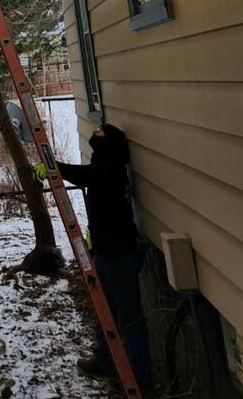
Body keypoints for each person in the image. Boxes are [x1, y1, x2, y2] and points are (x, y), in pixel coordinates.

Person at [37, 123, 151, 387]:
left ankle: (137, 374)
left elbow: (87, 175)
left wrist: (55, 168)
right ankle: (104, 360)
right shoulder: (108, 167)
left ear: (108, 145)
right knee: (104, 307)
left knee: (129, 314)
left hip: (120, 255)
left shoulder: (111, 170)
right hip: (107, 250)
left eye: (100, 134)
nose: (95, 135)